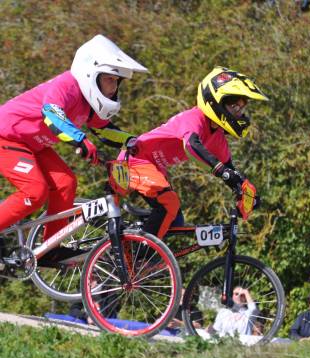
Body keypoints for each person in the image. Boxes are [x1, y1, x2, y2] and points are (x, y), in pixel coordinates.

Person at [0, 34, 147, 263]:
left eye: (117, 81)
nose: (113, 87)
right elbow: (51, 113)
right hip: (7, 136)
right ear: (91, 74)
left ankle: (50, 249)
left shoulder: (88, 103)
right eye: (109, 79)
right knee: (35, 191)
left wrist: (133, 142)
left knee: (66, 183)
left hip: (33, 144)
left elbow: (104, 129)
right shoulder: (67, 85)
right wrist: (80, 139)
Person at [118, 66, 268, 239]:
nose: (240, 113)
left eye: (242, 108)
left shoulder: (217, 137)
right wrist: (222, 172)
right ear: (216, 101)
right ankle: (140, 251)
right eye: (235, 107)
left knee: (175, 221)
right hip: (135, 159)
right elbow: (191, 146)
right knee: (168, 205)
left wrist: (248, 193)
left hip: (154, 168)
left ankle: (139, 237)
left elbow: (230, 169)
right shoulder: (194, 117)